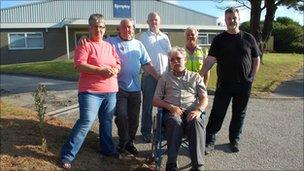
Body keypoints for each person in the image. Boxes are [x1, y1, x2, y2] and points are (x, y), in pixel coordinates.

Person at [60, 13, 121, 169]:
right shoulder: (85, 44)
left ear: (105, 28)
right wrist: (101, 71)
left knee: (106, 122)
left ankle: (107, 149)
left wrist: (115, 69)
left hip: (111, 90)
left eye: (101, 27)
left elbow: (118, 63)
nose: (98, 30)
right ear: (90, 28)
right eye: (95, 26)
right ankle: (67, 154)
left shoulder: (109, 46)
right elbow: (79, 65)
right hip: (90, 91)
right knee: (86, 120)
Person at [199, 7, 261, 154]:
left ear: (238, 19)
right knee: (218, 112)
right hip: (224, 84)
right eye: (229, 18)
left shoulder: (248, 38)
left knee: (239, 113)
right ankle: (209, 140)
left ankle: (234, 139)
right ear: (225, 20)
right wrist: (199, 75)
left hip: (244, 84)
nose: (232, 20)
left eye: (234, 18)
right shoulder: (219, 39)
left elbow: (256, 59)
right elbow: (210, 60)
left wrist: (251, 77)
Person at [106, 19, 160, 156]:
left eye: (129, 27)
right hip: (118, 88)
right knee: (122, 116)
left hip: (135, 89)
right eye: (123, 27)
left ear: (133, 29)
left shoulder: (138, 44)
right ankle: (124, 141)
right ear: (119, 29)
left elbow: (147, 65)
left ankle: (129, 143)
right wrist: (84, 39)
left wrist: (160, 79)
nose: (127, 29)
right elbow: (97, 44)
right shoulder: (111, 42)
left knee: (134, 119)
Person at [153, 46, 208, 171]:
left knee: (197, 122)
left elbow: (204, 98)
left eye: (178, 58)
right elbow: (155, 100)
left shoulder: (196, 77)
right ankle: (171, 164)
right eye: (172, 60)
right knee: (174, 121)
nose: (175, 61)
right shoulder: (164, 78)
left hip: (191, 111)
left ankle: (198, 166)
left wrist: (198, 110)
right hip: (171, 112)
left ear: (185, 60)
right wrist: (170, 107)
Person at [137, 12, 171, 143]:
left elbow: (169, 55)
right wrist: (145, 70)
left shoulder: (165, 37)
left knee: (164, 105)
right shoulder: (143, 37)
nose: (154, 22)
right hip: (150, 77)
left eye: (156, 20)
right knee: (148, 106)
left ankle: (162, 131)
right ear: (147, 22)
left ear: (159, 21)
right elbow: (140, 57)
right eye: (151, 20)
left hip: (164, 77)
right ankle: (146, 132)